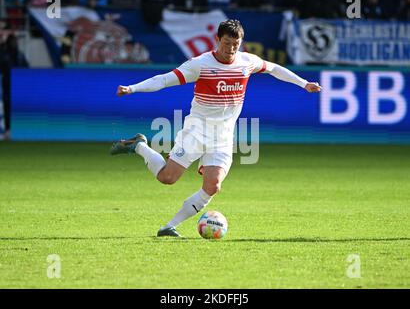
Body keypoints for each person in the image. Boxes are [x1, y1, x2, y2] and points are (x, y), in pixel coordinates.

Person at [110, 19, 321, 237]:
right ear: (217, 39)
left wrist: (304, 83)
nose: (231, 49)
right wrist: (132, 88)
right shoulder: (200, 64)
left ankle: (168, 227)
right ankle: (139, 145)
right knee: (167, 178)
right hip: (196, 131)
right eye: (227, 43)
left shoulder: (246, 62)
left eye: (236, 44)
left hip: (223, 137)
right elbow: (164, 80)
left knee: (213, 185)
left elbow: (275, 68)